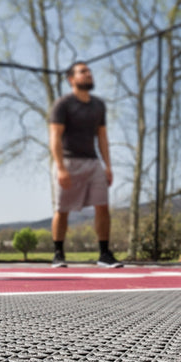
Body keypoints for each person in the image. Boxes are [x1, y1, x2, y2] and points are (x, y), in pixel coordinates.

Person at [48, 61, 122, 268]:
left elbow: (102, 138)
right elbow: (55, 137)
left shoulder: (99, 105)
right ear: (72, 79)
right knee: (62, 209)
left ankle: (104, 254)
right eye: (83, 72)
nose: (88, 74)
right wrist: (61, 167)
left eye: (89, 71)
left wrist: (108, 166)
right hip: (68, 162)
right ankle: (58, 254)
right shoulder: (62, 104)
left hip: (93, 163)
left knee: (103, 207)